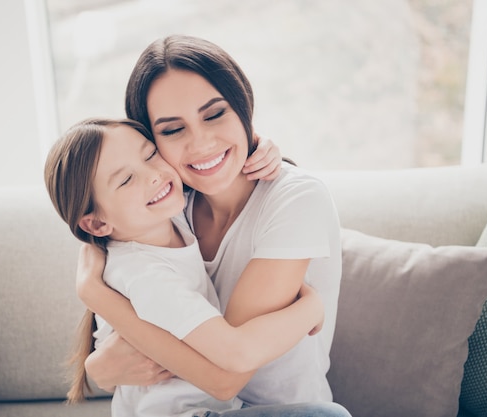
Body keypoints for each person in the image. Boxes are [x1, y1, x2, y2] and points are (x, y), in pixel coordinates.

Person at [77, 35, 349, 416]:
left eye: (215, 113)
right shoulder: (166, 205)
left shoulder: (296, 199)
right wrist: (97, 367)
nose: (201, 143)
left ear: (243, 106)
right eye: (173, 130)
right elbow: (102, 216)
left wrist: (92, 292)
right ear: (152, 139)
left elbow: (225, 377)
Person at [44, 117, 343, 417]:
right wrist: (312, 308)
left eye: (149, 154)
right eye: (125, 180)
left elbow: (208, 161)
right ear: (97, 223)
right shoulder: (146, 276)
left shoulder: (170, 216)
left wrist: (258, 147)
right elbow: (235, 356)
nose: (153, 175)